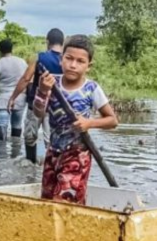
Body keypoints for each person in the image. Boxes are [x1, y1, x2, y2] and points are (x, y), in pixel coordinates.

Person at [33, 35, 118, 205]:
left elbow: (112, 120)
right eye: (69, 58)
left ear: (89, 66)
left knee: (65, 200)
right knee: (47, 200)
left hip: (77, 154)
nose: (73, 65)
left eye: (80, 61)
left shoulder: (91, 88)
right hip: (53, 152)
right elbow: (38, 113)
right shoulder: (51, 82)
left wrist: (89, 123)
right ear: (61, 59)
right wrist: (42, 91)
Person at [7, 28, 64, 163]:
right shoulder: (66, 61)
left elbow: (26, 78)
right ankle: (52, 168)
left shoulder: (40, 58)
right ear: (63, 42)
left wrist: (13, 97)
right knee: (50, 139)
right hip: (55, 107)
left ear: (47, 41)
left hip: (36, 103)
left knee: (30, 136)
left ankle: (30, 164)